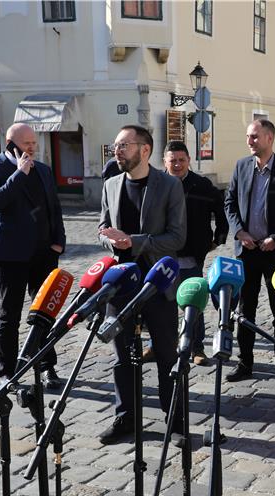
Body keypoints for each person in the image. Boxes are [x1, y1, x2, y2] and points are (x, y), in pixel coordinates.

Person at [97, 125, 187, 445]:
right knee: (122, 357)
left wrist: (132, 242)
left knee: (166, 355)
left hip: (158, 285)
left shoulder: (169, 186)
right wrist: (113, 243)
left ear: (144, 150)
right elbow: (103, 230)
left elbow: (177, 237)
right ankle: (126, 417)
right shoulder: (110, 185)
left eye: (123, 145)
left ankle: (175, 420)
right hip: (120, 286)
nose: (117, 151)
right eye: (115, 146)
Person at [0, 123, 66, 389]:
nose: (31, 148)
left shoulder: (45, 171)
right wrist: (18, 174)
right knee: (10, 314)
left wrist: (58, 242)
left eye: (33, 142)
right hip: (11, 255)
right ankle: (7, 372)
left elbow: (54, 207)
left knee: (45, 314)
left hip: (44, 254)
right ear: (10, 143)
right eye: (25, 143)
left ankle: (47, 365)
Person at [224, 119, 275, 386]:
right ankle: (245, 362)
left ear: (269, 138)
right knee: (244, 309)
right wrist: (239, 232)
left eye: (255, 137)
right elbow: (229, 203)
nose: (250, 141)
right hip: (247, 250)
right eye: (248, 136)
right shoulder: (241, 166)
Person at [154, 140, 228, 366]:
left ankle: (197, 347)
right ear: (164, 162)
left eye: (181, 160)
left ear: (188, 161)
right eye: (172, 160)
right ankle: (156, 346)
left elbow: (221, 208)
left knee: (193, 299)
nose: (177, 165)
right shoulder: (155, 183)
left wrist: (218, 238)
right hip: (160, 252)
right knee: (158, 303)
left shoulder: (201, 185)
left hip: (191, 253)